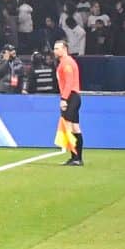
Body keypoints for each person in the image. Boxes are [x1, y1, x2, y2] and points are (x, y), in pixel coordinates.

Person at [53, 37, 84, 166]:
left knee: (69, 127)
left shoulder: (66, 63)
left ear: (64, 49)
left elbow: (69, 83)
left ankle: (75, 157)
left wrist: (64, 99)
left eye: (57, 48)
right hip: (74, 96)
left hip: (71, 96)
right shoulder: (66, 62)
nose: (55, 51)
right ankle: (77, 158)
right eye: (54, 48)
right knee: (75, 128)